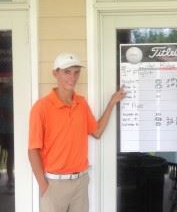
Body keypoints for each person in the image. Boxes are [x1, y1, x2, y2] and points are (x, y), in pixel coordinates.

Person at [28, 52, 126, 212]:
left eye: (76, 72)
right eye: (67, 72)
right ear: (55, 73)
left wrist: (112, 103)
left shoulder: (81, 103)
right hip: (54, 185)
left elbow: (97, 132)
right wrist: (44, 186)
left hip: (80, 182)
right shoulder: (41, 107)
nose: (72, 77)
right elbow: (33, 150)